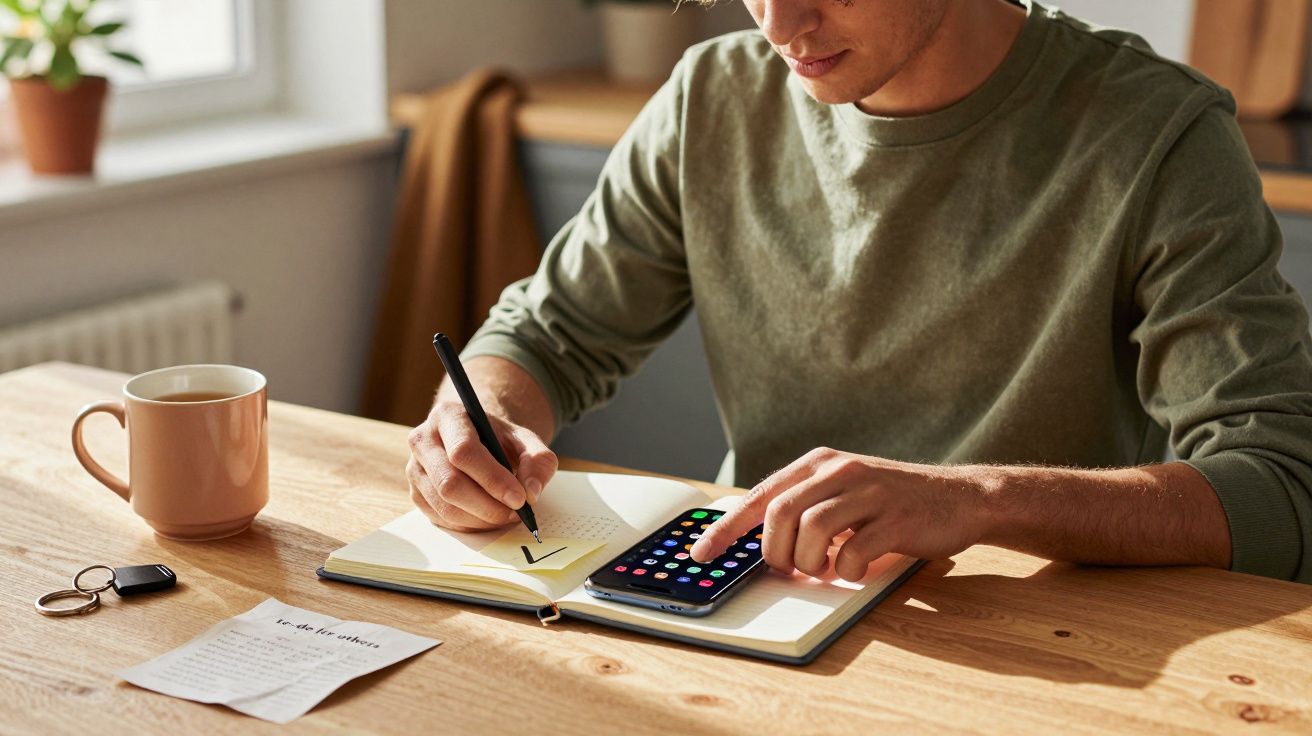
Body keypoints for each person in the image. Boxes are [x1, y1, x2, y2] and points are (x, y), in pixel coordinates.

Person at [405, 0, 1312, 584]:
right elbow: (549, 335)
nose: (777, 21)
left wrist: (981, 500)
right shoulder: (711, 97)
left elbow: (1278, 485)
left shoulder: (1157, 134)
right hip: (753, 610)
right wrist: (475, 416)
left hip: (1045, 654)